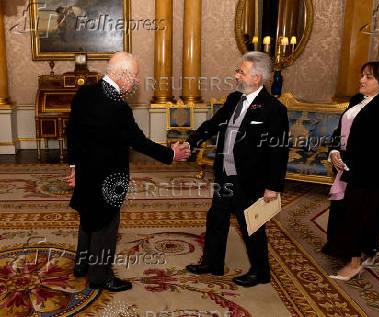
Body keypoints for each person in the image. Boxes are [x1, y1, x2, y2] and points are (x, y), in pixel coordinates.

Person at [65, 52, 190, 292]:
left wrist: (74, 166)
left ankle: (82, 265)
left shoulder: (85, 93)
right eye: (134, 75)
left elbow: (72, 132)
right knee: (105, 226)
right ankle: (100, 277)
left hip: (86, 172)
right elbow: (139, 142)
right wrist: (171, 155)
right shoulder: (118, 108)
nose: (137, 81)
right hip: (109, 179)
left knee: (87, 216)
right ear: (121, 75)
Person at [184, 52, 289, 287]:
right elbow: (213, 125)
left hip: (252, 180)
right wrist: (191, 142)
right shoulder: (234, 99)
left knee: (252, 226)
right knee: (216, 219)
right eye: (238, 70)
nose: (236, 75)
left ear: (257, 78)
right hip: (225, 174)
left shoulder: (274, 109)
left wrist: (273, 186)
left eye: (241, 72)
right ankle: (212, 263)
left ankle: (260, 272)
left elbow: (278, 151)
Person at [322, 61, 379, 280]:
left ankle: (355, 262)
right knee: (344, 209)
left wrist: (346, 157)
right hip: (349, 166)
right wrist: (333, 152)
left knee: (361, 214)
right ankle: (343, 248)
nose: (362, 80)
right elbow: (340, 131)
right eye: (362, 75)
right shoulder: (356, 100)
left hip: (374, 171)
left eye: (368, 77)